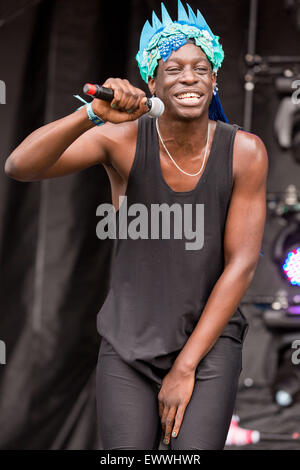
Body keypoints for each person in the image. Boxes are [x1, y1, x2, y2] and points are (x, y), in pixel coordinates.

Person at [5, 1, 268, 450]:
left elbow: (241, 265)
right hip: (128, 344)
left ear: (215, 78)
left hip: (208, 347)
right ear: (152, 80)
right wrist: (90, 115)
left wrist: (185, 369)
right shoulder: (122, 140)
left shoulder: (244, 152)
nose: (189, 78)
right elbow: (20, 165)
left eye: (201, 68)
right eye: (174, 69)